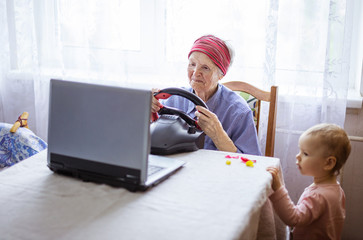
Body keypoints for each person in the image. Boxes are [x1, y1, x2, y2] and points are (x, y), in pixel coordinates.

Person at [151, 35, 261, 155]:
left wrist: (218, 134)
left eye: (205, 68)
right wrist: (147, 110)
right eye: (192, 64)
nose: (196, 73)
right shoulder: (172, 99)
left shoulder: (239, 112)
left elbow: (252, 163)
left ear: (221, 75)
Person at [266, 123, 351, 240]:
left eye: (305, 153)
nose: (298, 156)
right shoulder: (337, 189)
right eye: (300, 151)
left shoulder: (318, 196)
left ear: (329, 163)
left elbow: (293, 218)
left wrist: (278, 188)